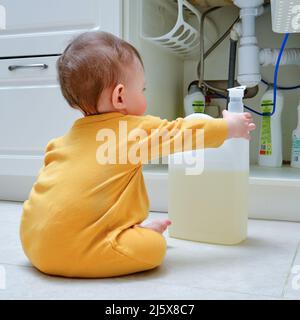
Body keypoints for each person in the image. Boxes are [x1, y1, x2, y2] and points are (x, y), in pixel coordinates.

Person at [20, 31, 255, 278]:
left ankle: (127, 229)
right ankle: (135, 235)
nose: (144, 95)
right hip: (74, 252)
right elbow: (183, 132)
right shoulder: (131, 130)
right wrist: (230, 127)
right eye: (142, 89)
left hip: (32, 241)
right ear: (120, 96)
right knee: (155, 248)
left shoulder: (60, 143)